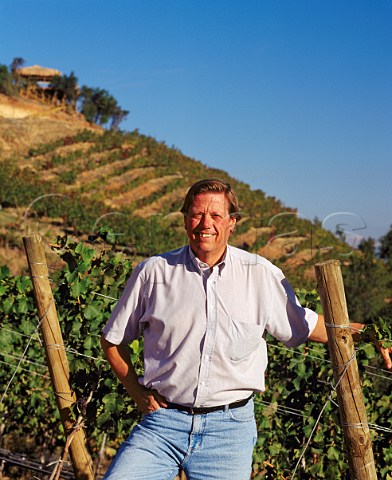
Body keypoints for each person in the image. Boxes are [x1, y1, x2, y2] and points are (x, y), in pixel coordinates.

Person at [101, 178, 391, 480]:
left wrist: (370, 334)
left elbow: (307, 326)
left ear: (232, 223)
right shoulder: (154, 272)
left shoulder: (260, 275)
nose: (205, 224)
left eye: (215, 216)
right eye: (197, 214)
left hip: (228, 432)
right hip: (162, 425)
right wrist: (137, 392)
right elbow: (112, 340)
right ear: (185, 219)